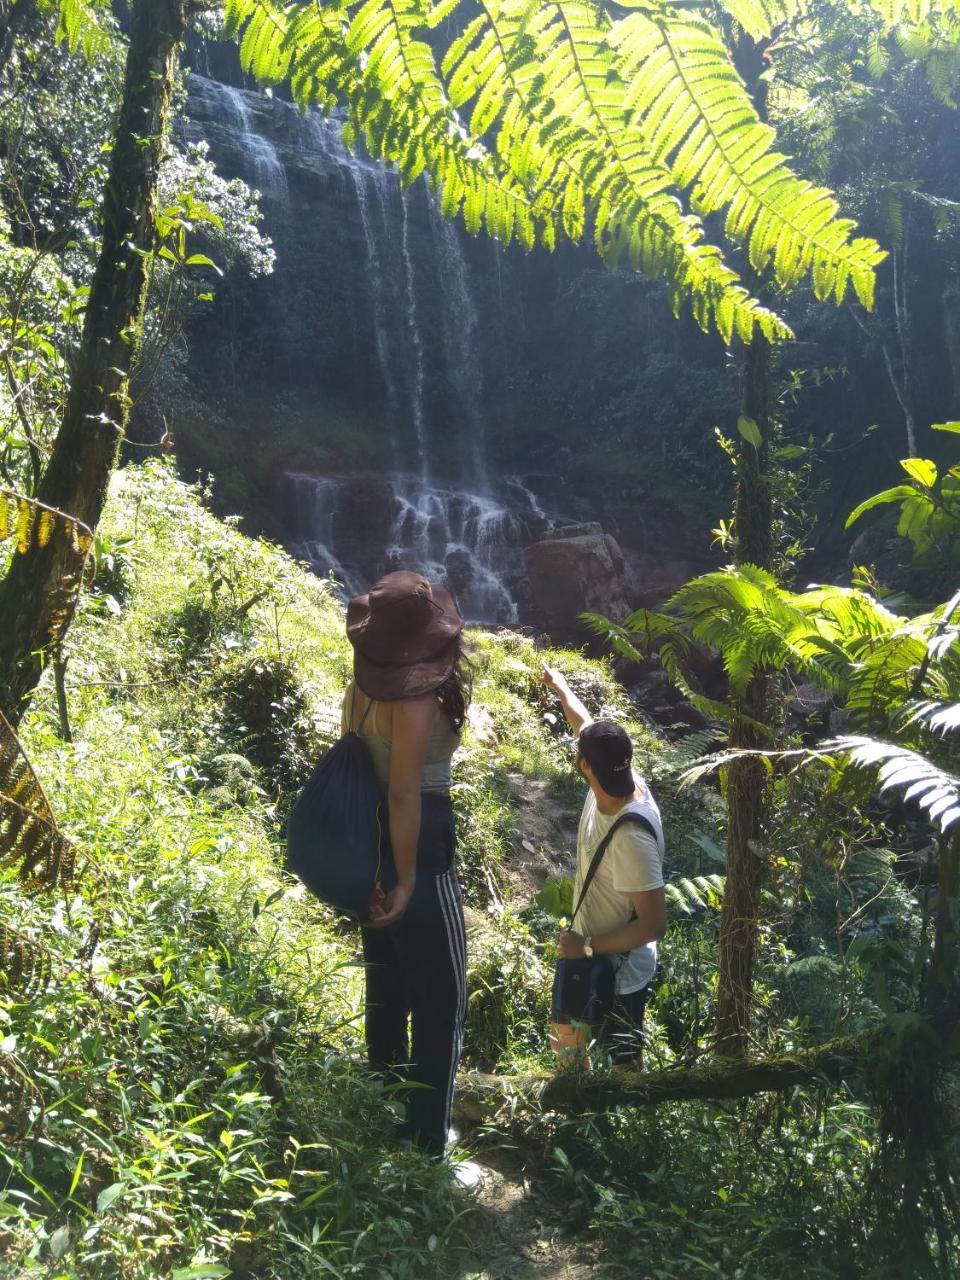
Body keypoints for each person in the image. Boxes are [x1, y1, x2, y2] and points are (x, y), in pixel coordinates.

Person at [342, 570, 469, 1158]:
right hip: (416, 840)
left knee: (388, 982)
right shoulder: (414, 696)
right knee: (443, 997)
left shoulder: (363, 684)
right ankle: (428, 1142)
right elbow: (404, 790)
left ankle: (382, 1105)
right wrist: (410, 875)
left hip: (366, 837)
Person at [542, 662, 667, 1069]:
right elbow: (587, 726)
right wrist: (561, 687)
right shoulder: (622, 774)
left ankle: (626, 1128)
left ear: (584, 767)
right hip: (583, 949)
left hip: (618, 966)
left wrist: (589, 947)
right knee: (567, 1049)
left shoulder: (632, 837)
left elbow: (653, 925)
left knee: (624, 1065)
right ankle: (575, 1121)